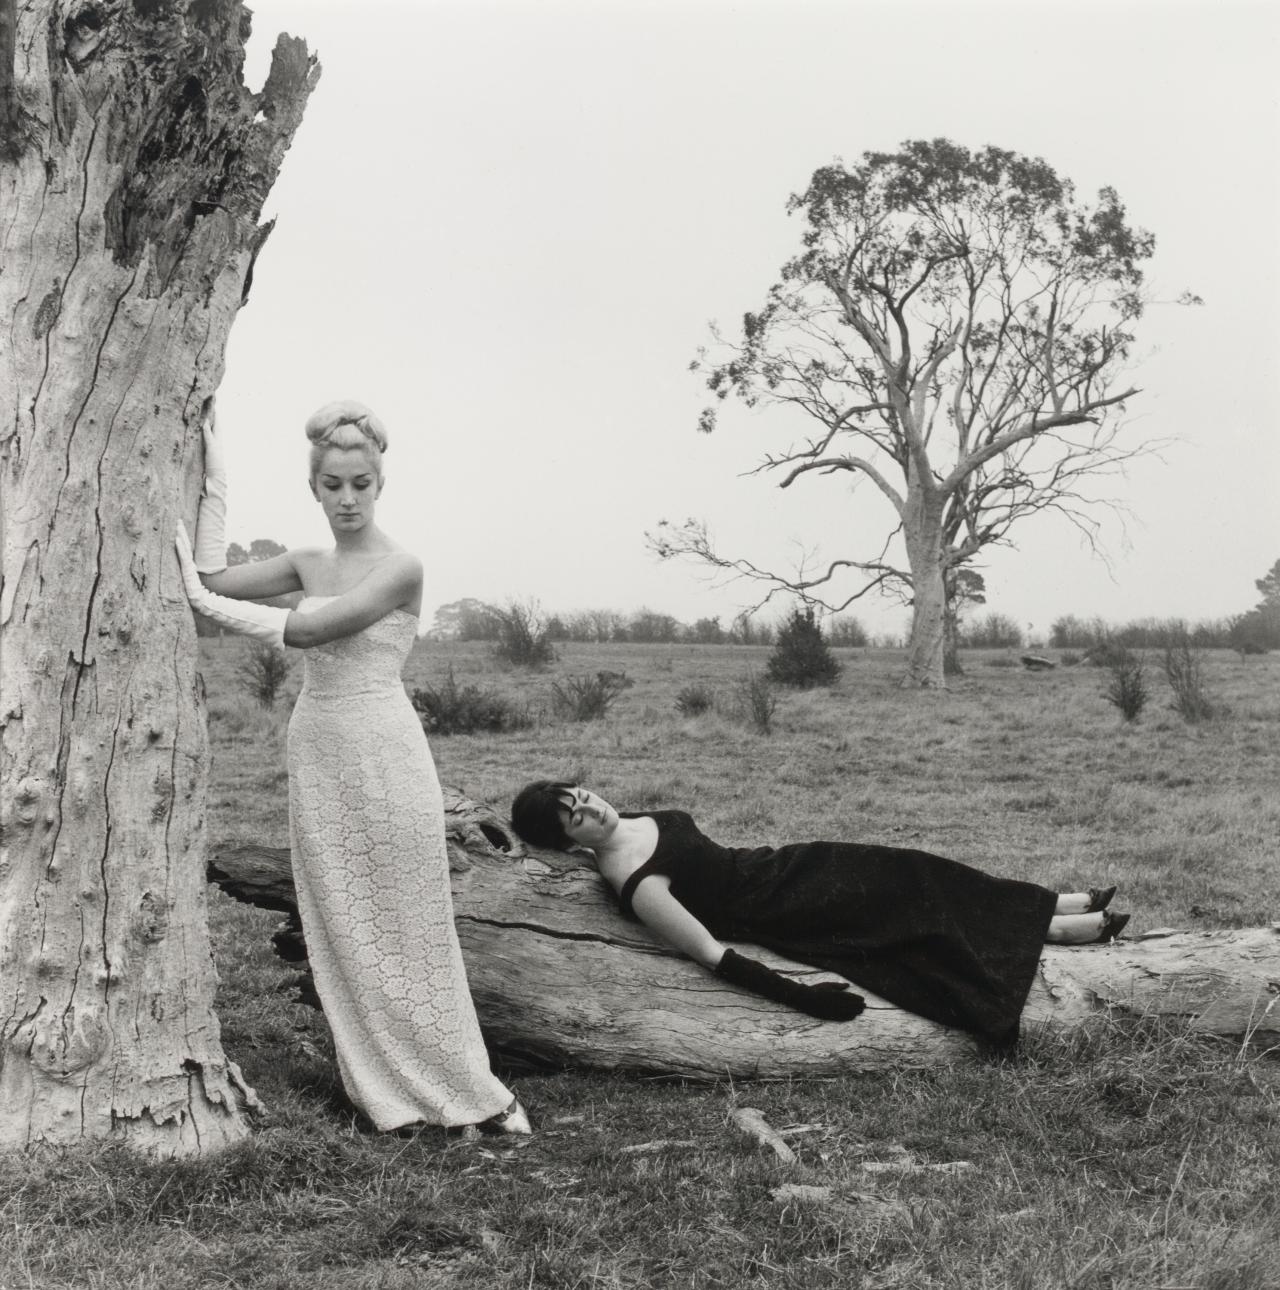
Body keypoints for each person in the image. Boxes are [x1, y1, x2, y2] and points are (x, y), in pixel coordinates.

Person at [176, 399, 529, 1135]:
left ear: (379, 483)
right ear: (315, 486)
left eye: (359, 483)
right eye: (332, 484)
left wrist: (197, 594)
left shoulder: (403, 568)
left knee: (411, 921)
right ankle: (385, 1087)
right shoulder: (308, 560)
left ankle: (469, 1087)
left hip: (386, 748)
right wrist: (216, 473)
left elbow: (309, 631)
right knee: (343, 921)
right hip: (318, 749)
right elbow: (213, 573)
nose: (346, 498)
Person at [509, 781, 1131, 1045]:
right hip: (785, 909)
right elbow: (710, 954)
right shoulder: (636, 884)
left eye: (585, 797)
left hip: (785, 864)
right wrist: (806, 998)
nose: (594, 810)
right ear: (570, 842)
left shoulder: (630, 819)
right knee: (910, 905)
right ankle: (1056, 926)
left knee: (912, 866)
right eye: (577, 818)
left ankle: (1049, 905)